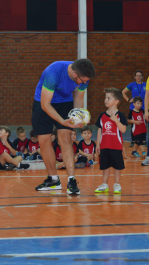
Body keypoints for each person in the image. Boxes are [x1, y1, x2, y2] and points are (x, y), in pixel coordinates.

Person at [32, 59, 95, 195]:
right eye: (82, 81)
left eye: (86, 81)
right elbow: (45, 105)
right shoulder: (53, 73)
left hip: (65, 102)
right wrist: (62, 121)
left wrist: (79, 116)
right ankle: (53, 180)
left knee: (65, 139)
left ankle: (72, 180)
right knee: (44, 141)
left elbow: (78, 97)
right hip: (43, 103)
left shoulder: (84, 77)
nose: (84, 83)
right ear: (74, 73)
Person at [95, 88, 128, 194]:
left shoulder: (120, 115)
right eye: (105, 97)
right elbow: (100, 130)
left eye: (109, 98)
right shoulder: (102, 115)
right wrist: (97, 144)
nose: (106, 100)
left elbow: (123, 129)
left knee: (117, 167)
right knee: (105, 166)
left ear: (116, 101)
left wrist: (116, 121)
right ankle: (104, 185)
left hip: (116, 146)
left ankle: (117, 185)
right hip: (104, 146)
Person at [122, 71, 146, 147]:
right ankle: (133, 140)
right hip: (134, 108)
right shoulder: (132, 85)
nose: (138, 77)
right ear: (135, 77)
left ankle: (143, 140)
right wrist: (128, 100)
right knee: (134, 124)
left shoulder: (146, 85)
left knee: (143, 124)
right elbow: (123, 92)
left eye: (140, 75)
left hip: (143, 107)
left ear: (142, 76)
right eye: (137, 75)